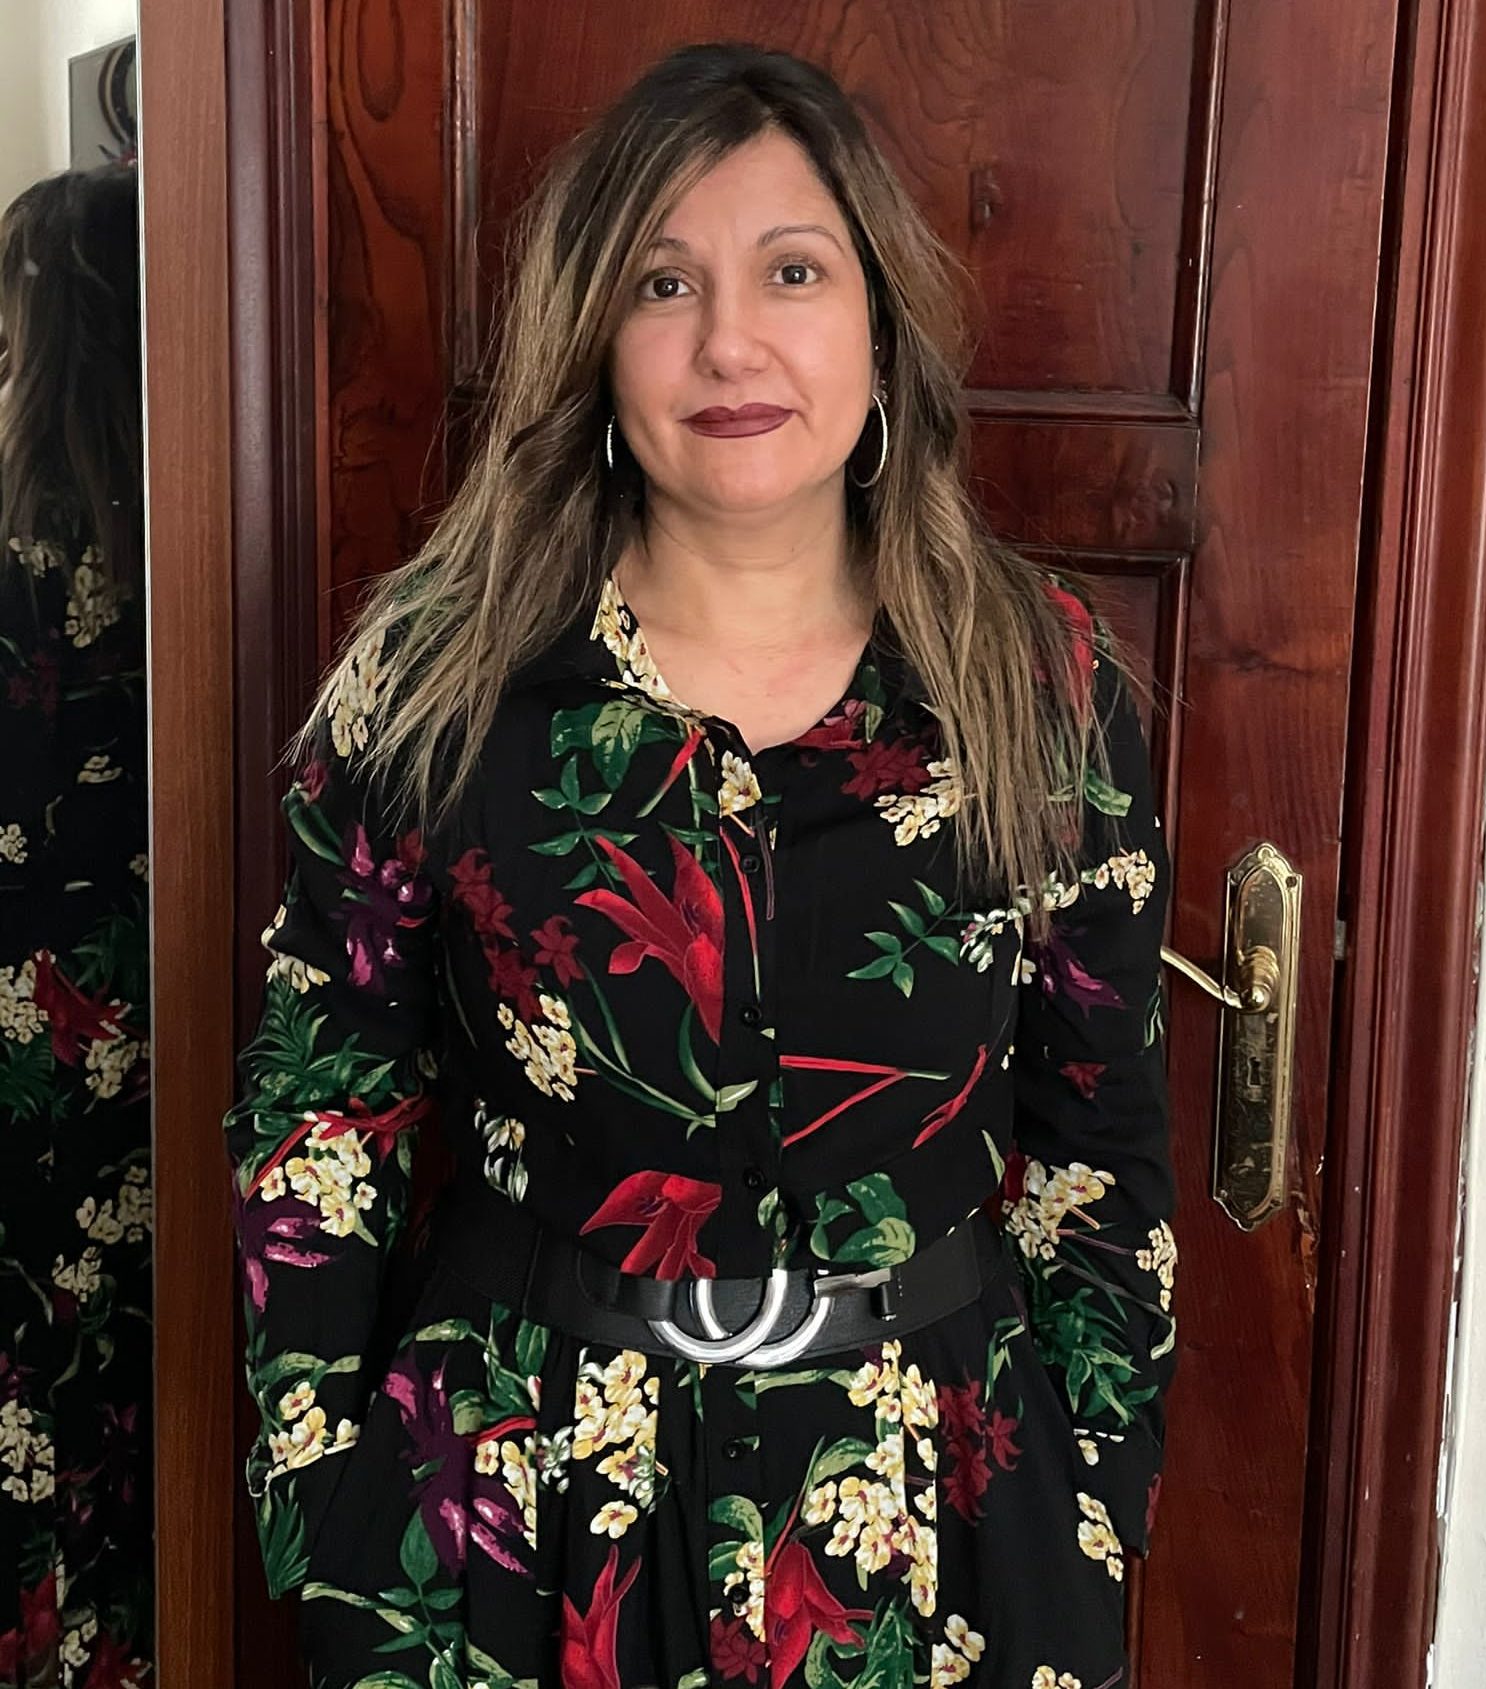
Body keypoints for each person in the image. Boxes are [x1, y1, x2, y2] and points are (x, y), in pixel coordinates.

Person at [222, 42, 1175, 1689]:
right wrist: (323, 1509)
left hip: (939, 1536)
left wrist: (1091, 1495)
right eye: (665, 283)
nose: (731, 341)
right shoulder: (435, 683)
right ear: (595, 336)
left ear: (878, 320)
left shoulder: (1043, 684)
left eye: (792, 271)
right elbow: (321, 1114)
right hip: (511, 1531)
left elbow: (1101, 1138)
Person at [0, 164, 153, 1685]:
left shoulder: (11, 565)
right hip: (161, 1033)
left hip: (22, 1059)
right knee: (126, 1379)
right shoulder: (198, 552)